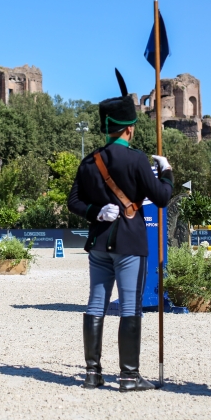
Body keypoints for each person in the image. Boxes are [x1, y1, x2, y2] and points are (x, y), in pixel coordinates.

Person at [67, 69, 174, 392]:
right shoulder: (137, 160)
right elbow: (162, 197)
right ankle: (128, 375)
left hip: (99, 242)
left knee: (95, 303)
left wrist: (95, 211)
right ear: (129, 128)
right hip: (129, 241)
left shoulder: (89, 161)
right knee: (130, 306)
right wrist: (166, 171)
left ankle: (92, 373)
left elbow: (73, 201)